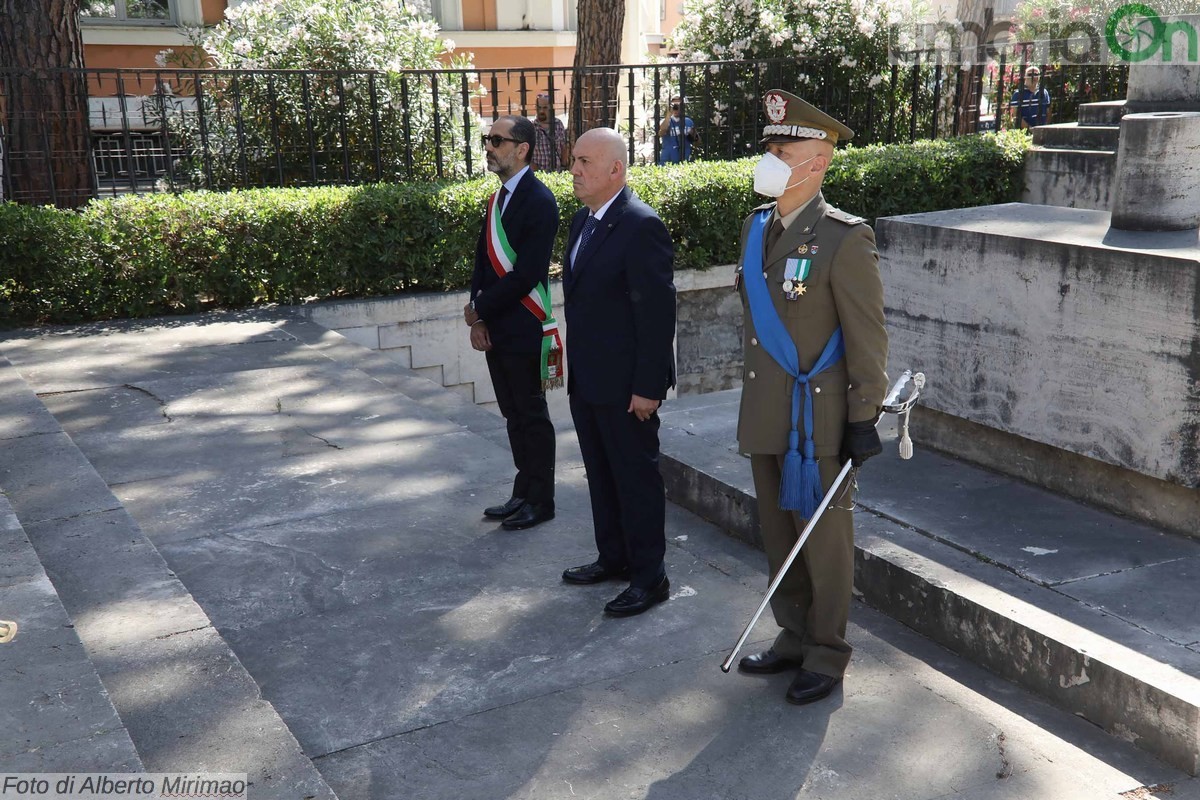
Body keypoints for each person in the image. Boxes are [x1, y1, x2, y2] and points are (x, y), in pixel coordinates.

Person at [733, 90, 888, 705]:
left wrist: (863, 416)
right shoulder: (757, 227)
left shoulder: (845, 238)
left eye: (783, 149)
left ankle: (827, 651)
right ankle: (793, 635)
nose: (769, 158)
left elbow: (867, 337)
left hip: (817, 419)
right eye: (768, 147)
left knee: (823, 541)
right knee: (778, 533)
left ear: (817, 162)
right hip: (768, 410)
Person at [559, 127, 677, 617]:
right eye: (573, 162)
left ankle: (650, 578)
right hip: (589, 380)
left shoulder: (640, 224)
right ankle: (614, 557)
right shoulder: (582, 222)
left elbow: (656, 314)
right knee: (601, 474)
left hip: (628, 387)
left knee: (635, 480)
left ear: (616, 170)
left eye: (586, 162)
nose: (575, 171)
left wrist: (648, 386)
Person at [464, 115, 562, 530]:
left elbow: (526, 274)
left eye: (497, 141)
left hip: (524, 323)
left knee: (531, 413)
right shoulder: (497, 199)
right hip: (497, 325)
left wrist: (483, 307)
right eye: (488, 139)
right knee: (512, 413)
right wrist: (477, 313)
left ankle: (542, 500)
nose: (489, 146)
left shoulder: (539, 201)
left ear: (521, 149)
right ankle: (522, 492)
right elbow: (482, 263)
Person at [531, 92, 569, 172]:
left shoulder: (558, 124)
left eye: (545, 107)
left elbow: (563, 147)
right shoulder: (531, 127)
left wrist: (564, 166)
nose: (541, 110)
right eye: (539, 107)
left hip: (557, 172)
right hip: (538, 173)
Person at [656, 96, 696, 165]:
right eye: (674, 105)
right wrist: (669, 114)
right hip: (667, 161)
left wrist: (693, 135)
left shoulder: (688, 122)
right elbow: (661, 133)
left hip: (684, 160)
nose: (676, 108)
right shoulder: (665, 121)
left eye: (679, 105)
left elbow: (697, 142)